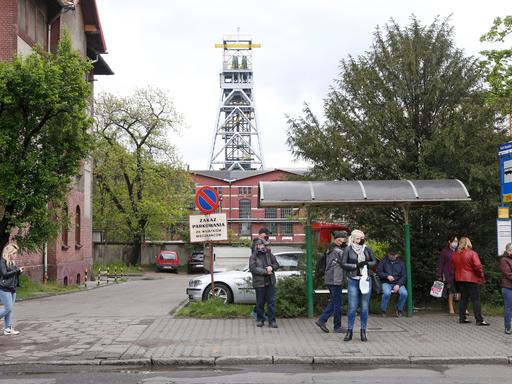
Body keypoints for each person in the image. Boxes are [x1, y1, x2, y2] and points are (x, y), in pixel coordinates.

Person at [341, 229, 376, 342]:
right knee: (352, 307)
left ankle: (363, 331)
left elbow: (374, 262)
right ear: (353, 239)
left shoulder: (367, 249)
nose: (361, 240)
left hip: (365, 280)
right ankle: (350, 331)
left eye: (362, 238)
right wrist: (355, 265)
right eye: (359, 238)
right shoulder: (348, 249)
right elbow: (343, 264)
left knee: (364, 307)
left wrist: (366, 263)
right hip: (353, 280)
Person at [314, 230, 348, 333]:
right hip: (335, 279)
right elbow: (346, 260)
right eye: (343, 240)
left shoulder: (330, 249)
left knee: (335, 302)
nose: (344, 242)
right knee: (337, 303)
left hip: (330, 278)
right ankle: (336, 326)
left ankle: (322, 320)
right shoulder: (337, 251)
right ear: (338, 240)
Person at [451, 236, 489, 326]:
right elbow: (478, 266)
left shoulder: (455, 255)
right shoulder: (472, 253)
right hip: (471, 279)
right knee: (476, 299)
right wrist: (481, 276)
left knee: (463, 299)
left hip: (460, 279)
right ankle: (479, 320)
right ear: (468, 243)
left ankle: (462, 318)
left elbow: (453, 266)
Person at [249, 238, 280, 328]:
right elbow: (253, 268)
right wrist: (265, 271)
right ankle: (260, 319)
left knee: (271, 302)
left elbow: (276, 264)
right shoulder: (253, 256)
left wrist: (272, 267)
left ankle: (272, 321)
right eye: (263, 245)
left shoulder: (269, 254)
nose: (265, 247)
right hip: (259, 283)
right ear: (257, 246)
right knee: (260, 302)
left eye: (265, 245)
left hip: (270, 281)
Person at [376, 247, 408, 317]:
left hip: (398, 283)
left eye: (394, 255)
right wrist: (387, 276)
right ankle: (383, 310)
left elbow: (404, 276)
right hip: (386, 282)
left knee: (404, 293)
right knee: (387, 293)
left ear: (397, 255)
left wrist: (398, 285)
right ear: (388, 254)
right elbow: (378, 272)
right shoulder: (383, 261)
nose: (392, 256)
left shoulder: (401, 263)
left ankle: (399, 309)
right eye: (390, 254)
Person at [0, 243, 24, 335]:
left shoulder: (12, 262)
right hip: (4, 288)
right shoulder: (2, 261)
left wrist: (19, 272)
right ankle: (8, 328)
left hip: (12, 289)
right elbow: (4, 274)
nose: (15, 255)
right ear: (9, 253)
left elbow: (13, 274)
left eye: (15, 253)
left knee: (9, 309)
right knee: (8, 308)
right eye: (14, 253)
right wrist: (16, 270)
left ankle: (8, 328)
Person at [437, 235, 458, 314]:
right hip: (448, 274)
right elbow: (441, 264)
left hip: (458, 273)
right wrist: (439, 275)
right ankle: (451, 307)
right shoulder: (444, 251)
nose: (456, 243)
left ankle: (463, 307)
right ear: (449, 241)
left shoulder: (458, 250)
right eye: (454, 241)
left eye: (457, 241)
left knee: (460, 290)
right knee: (451, 291)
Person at [500, 242, 512, 334]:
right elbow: (508, 274)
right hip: (508, 288)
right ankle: (508, 327)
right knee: (508, 308)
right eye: (511, 249)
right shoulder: (504, 260)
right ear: (507, 250)